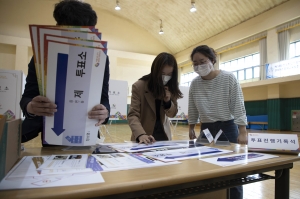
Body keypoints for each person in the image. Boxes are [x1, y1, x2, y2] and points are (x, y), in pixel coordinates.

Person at [20, 0, 110, 145]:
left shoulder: (100, 58)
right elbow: (27, 97)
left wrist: (104, 112)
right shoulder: (41, 56)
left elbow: (104, 99)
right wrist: (31, 107)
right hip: (52, 136)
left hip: (87, 135)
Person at [188, 45, 247, 199]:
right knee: (205, 166)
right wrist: (191, 127)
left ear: (212, 60)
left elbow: (238, 104)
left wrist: (242, 131)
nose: (198, 66)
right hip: (206, 128)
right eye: (195, 63)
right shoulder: (194, 84)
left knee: (232, 169)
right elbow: (192, 107)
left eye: (202, 61)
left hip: (227, 127)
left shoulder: (228, 78)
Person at [128, 52, 182, 144]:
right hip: (144, 136)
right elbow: (133, 115)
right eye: (162, 73)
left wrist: (168, 102)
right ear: (155, 71)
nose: (166, 77)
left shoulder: (171, 86)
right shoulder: (139, 86)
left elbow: (172, 114)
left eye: (169, 74)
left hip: (164, 136)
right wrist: (141, 134)